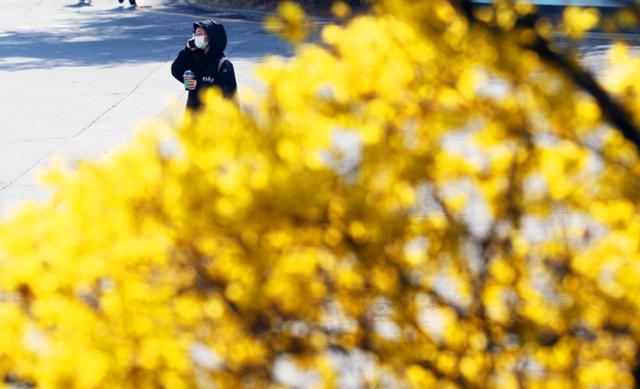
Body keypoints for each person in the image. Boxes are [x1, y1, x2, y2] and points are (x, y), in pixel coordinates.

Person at [171, 20, 237, 110]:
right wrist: (187, 50)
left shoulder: (223, 63)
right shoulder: (195, 58)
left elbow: (229, 95)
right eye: (195, 34)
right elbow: (176, 70)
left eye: (199, 34)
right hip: (193, 117)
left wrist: (199, 85)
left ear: (211, 37)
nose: (195, 37)